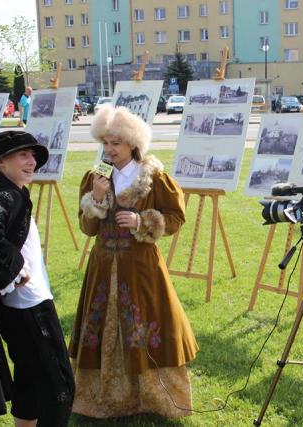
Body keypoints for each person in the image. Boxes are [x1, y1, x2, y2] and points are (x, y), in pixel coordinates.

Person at [70, 104, 198, 419]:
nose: (109, 149)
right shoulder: (96, 177)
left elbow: (176, 217)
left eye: (116, 143)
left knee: (145, 327)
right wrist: (95, 199)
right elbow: (87, 228)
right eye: (105, 142)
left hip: (141, 268)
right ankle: (101, 399)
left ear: (133, 143)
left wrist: (142, 221)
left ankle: (152, 400)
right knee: (100, 328)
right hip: (102, 267)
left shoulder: (154, 178)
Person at [0, 131, 75, 426]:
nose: (31, 161)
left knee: (29, 377)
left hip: (18, 305)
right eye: (23, 155)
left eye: (33, 155)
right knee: (60, 387)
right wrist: (15, 271)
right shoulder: (5, 195)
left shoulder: (13, 193)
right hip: (29, 305)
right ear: (1, 163)